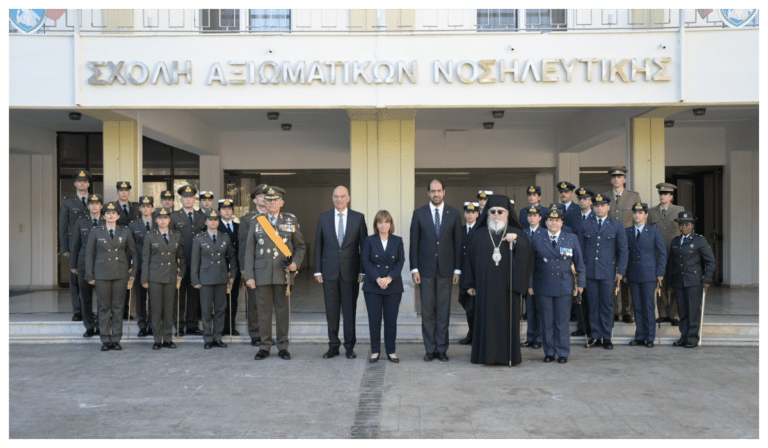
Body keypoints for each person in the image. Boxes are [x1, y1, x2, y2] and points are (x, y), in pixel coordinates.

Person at [463, 195, 533, 366]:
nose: (496, 214)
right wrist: (470, 284)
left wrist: (517, 243)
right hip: (484, 288)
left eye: (500, 212)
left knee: (506, 322)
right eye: (492, 211)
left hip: (508, 289)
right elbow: (468, 260)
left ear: (508, 214)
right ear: (487, 214)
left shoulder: (516, 233)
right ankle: (484, 356)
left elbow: (529, 255)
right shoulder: (478, 234)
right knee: (485, 321)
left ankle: (507, 356)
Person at [245, 187, 306, 361]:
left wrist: (296, 263)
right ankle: (264, 346)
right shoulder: (256, 221)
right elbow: (249, 250)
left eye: (275, 200)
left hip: (283, 273)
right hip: (261, 274)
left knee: (282, 312)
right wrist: (249, 275)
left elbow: (300, 246)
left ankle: (282, 346)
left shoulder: (290, 220)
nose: (271, 203)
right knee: (263, 312)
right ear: (263, 202)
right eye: (268, 200)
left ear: (281, 202)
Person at [410, 179, 463, 362]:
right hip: (425, 270)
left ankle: (442, 349)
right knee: (427, 311)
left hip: (446, 270)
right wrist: (414, 268)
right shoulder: (419, 214)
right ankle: (429, 349)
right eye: (433, 191)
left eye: (439, 191)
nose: (436, 194)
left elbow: (458, 243)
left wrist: (457, 269)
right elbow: (414, 242)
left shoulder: (454, 214)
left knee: (443, 310)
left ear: (444, 192)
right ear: (428, 193)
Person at [314, 186, 368, 359]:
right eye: (336, 196)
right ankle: (333, 345)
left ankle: (350, 347)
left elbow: (364, 247)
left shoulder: (358, 218)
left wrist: (363, 270)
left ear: (348, 198)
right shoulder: (323, 218)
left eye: (342, 196)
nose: (339, 199)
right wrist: (317, 270)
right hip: (329, 272)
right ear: (332, 198)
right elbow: (318, 246)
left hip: (351, 272)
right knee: (332, 311)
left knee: (349, 310)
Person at [528, 208, 585, 364]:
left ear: (562, 222)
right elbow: (531, 264)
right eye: (551, 220)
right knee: (546, 321)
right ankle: (549, 352)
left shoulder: (570, 238)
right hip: (543, 284)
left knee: (562, 321)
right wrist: (530, 284)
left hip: (564, 285)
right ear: (546, 222)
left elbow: (580, 263)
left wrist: (580, 284)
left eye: (557, 220)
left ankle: (562, 352)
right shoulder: (538, 239)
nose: (554, 223)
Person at [85, 202, 137, 351]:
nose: (110, 216)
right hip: (102, 274)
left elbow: (134, 252)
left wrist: (132, 272)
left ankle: (116, 339)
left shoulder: (125, 231)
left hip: (120, 273)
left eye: (113, 213)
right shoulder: (96, 231)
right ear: (104, 216)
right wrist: (89, 274)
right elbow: (89, 255)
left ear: (118, 216)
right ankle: (105, 339)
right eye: (108, 213)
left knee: (118, 307)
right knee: (103, 307)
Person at [579, 193, 628, 350]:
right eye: (596, 205)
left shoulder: (616, 225)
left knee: (607, 305)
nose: (599, 208)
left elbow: (623, 250)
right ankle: (595, 336)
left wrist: (621, 271)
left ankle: (607, 337)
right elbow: (579, 249)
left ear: (608, 207)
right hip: (590, 272)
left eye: (602, 205)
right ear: (593, 207)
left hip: (608, 272)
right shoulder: (586, 224)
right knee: (593, 305)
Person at [361, 210, 405, 363]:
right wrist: (378, 278)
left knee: (391, 320)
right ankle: (375, 351)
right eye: (380, 222)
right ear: (376, 224)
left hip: (393, 286)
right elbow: (366, 261)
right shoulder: (369, 240)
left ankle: (391, 351)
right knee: (374, 320)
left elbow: (400, 262)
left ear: (391, 224)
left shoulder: (398, 241)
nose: (383, 225)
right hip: (373, 286)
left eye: (386, 222)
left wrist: (389, 278)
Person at [667, 211, 716, 348]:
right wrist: (670, 283)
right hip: (678, 281)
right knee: (682, 310)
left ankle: (693, 337)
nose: (684, 227)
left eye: (687, 224)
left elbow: (711, 261)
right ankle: (684, 336)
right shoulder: (675, 241)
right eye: (681, 225)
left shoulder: (699, 240)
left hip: (694, 281)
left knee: (693, 310)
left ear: (692, 225)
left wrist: (706, 279)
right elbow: (671, 263)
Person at [191, 209, 237, 350]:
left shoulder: (225, 237)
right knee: (206, 310)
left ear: (218, 221)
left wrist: (233, 275)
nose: (213, 222)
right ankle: (208, 338)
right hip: (205, 278)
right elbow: (195, 261)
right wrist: (195, 280)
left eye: (216, 220)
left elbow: (232, 257)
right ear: (206, 222)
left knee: (220, 309)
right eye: (210, 220)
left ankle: (218, 337)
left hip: (221, 277)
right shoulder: (199, 238)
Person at [141, 207, 185, 350]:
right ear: (156, 220)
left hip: (171, 276)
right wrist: (144, 279)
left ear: (169, 220)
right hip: (155, 277)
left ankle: (167, 338)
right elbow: (145, 258)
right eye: (160, 218)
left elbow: (181, 256)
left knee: (169, 309)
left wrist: (181, 273)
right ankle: (157, 339)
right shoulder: (150, 236)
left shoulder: (176, 235)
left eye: (165, 218)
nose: (163, 220)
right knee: (156, 309)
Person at [603, 167, 642, 324]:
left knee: (626, 277)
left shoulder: (634, 196)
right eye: (614, 177)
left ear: (624, 179)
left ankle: (626, 310)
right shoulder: (605, 196)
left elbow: (638, 218)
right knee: (611, 275)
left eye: (620, 176)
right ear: (611, 180)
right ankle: (613, 309)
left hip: (628, 242)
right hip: (610, 242)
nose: (617, 179)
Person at [626, 203, 667, 347]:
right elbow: (625, 253)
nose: (637, 215)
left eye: (640, 212)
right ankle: (639, 335)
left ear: (646, 215)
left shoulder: (653, 231)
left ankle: (650, 337)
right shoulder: (628, 231)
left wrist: (660, 273)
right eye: (635, 212)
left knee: (648, 306)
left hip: (649, 274)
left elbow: (662, 253)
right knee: (637, 306)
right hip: (633, 274)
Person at [170, 184, 206, 336]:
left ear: (194, 199)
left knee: (193, 295)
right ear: (181, 199)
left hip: (197, 262)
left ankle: (191, 325)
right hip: (179, 262)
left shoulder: (202, 216)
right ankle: (178, 325)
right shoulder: (173, 216)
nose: (188, 200)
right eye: (185, 198)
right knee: (178, 295)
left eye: (191, 198)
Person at [647, 183, 685, 326]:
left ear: (671, 196)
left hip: (675, 252)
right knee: (660, 284)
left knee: (675, 284)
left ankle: (674, 314)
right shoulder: (651, 212)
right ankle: (663, 313)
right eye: (661, 194)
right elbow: (649, 232)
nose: (663, 196)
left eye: (666, 194)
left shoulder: (679, 210)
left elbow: (685, 230)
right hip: (657, 254)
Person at [69, 194, 104, 337]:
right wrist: (73, 264)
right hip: (84, 263)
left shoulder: (107, 220)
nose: (94, 206)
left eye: (97, 203)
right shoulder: (81, 221)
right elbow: (75, 244)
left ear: (101, 206)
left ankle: (101, 326)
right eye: (91, 203)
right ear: (88, 206)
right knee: (85, 295)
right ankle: (89, 326)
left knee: (102, 297)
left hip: (102, 263)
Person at [239, 183, 269, 346]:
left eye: (266, 196)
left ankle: (267, 333)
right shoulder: (247, 219)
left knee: (270, 302)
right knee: (254, 303)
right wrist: (245, 270)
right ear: (255, 199)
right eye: (260, 196)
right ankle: (255, 334)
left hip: (272, 267)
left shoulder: (277, 217)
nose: (263, 199)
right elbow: (244, 246)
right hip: (255, 267)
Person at [59, 169, 91, 321]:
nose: (82, 183)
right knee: (74, 279)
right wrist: (65, 248)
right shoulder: (68, 202)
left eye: (84, 181)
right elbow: (63, 226)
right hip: (74, 246)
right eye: (79, 181)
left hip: (92, 244)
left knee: (91, 277)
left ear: (88, 184)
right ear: (75, 184)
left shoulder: (94, 200)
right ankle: (77, 311)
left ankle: (90, 310)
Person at [128, 196, 157, 337]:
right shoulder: (134, 225)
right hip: (139, 266)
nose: (145, 209)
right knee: (140, 297)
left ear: (152, 208)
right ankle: (142, 325)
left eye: (148, 206)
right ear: (140, 208)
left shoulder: (159, 222)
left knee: (154, 297)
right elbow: (130, 247)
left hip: (156, 266)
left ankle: (152, 324)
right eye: (143, 206)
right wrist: (130, 266)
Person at [570, 187, 595, 338]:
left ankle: (592, 328)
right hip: (576, 262)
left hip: (592, 263)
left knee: (591, 298)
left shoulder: (597, 216)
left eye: (585, 199)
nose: (582, 201)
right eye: (580, 199)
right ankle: (582, 327)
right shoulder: (574, 217)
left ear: (590, 201)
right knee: (579, 296)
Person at [520, 205, 545, 349]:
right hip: (527, 276)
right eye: (529, 216)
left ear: (540, 218)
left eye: (535, 216)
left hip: (541, 276)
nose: (532, 218)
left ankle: (539, 338)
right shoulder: (523, 233)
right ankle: (530, 337)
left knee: (540, 309)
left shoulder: (545, 233)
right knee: (529, 309)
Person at [457, 202, 480, 345]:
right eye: (468, 212)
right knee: (468, 306)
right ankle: (471, 334)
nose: (470, 215)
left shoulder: (481, 230)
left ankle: (477, 335)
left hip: (477, 274)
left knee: (477, 306)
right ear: (464, 214)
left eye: (473, 212)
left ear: (477, 214)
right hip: (465, 273)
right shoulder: (460, 230)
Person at [218, 199, 241, 336]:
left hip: (234, 268)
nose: (226, 211)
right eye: (223, 209)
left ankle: (231, 326)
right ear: (220, 211)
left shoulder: (239, 227)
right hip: (220, 268)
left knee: (233, 298)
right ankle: (221, 327)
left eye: (229, 209)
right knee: (220, 300)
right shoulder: (214, 226)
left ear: (232, 211)